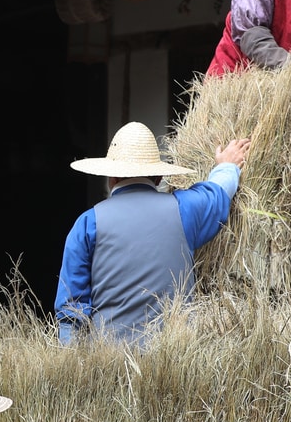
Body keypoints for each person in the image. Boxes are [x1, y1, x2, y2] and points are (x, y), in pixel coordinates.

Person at [55, 122, 252, 344]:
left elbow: (71, 312)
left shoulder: (87, 224)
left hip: (107, 367)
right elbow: (217, 192)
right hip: (174, 362)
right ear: (158, 178)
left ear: (110, 177)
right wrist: (227, 165)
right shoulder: (184, 209)